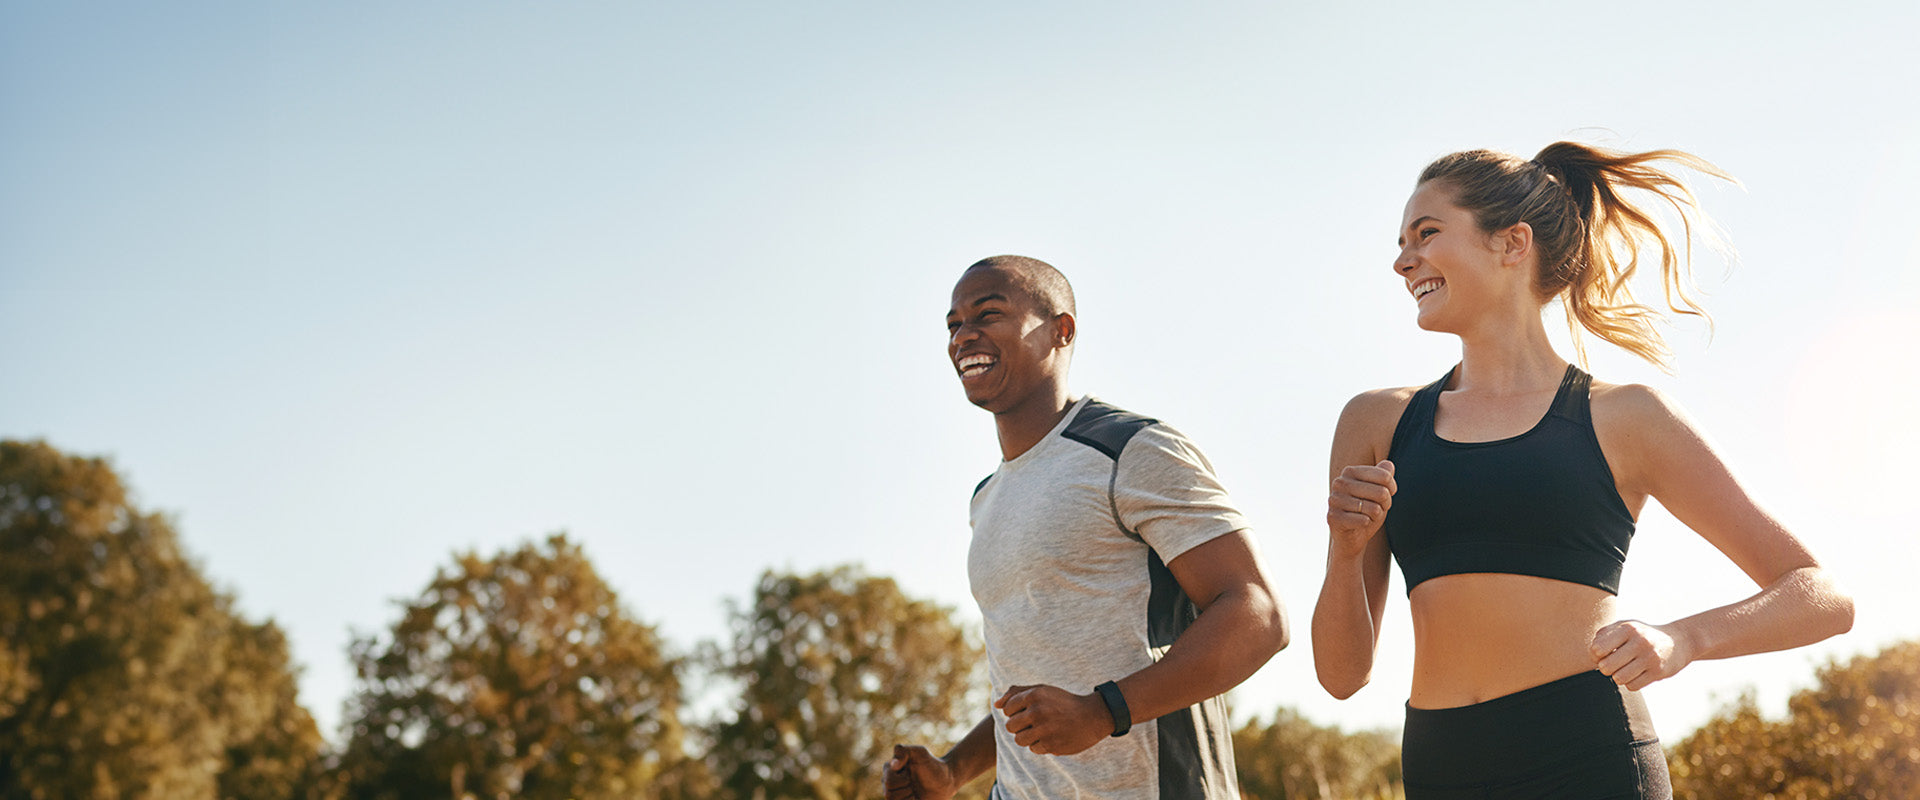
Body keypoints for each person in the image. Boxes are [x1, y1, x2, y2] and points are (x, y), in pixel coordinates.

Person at [1311, 142, 1855, 799]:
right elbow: (1340, 676)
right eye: (1401, 243)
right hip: (1440, 766)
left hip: (1588, 756)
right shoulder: (1378, 423)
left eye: (1426, 234)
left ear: (1513, 244)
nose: (1403, 261)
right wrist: (1346, 552)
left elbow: (1822, 596)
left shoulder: (1625, 417)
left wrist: (1683, 638)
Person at [883, 255, 1289, 800]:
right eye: (954, 323)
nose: (964, 335)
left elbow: (1257, 614)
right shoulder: (987, 497)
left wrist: (1104, 711)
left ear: (1061, 330)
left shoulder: (1130, 449)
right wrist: (954, 771)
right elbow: (1032, 685)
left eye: (988, 314)